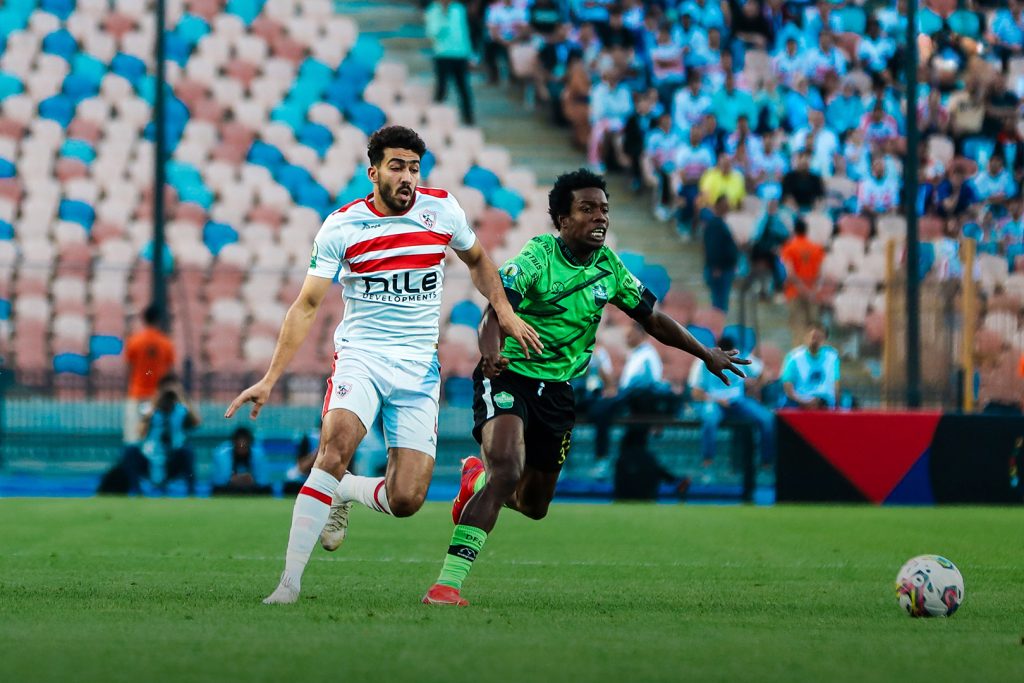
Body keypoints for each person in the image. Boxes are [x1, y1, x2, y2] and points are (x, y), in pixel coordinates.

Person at [225, 126, 542, 605]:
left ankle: (344, 491)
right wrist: (270, 378)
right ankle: (288, 584)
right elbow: (306, 305)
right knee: (336, 446)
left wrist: (505, 311)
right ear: (373, 172)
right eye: (397, 167)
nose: (408, 177)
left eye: (414, 168)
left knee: (407, 499)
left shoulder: (442, 210)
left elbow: (478, 260)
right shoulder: (342, 226)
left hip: (418, 368)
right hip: (362, 358)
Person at [421, 168, 748, 606]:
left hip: (558, 390)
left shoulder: (608, 267)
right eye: (588, 209)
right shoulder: (537, 258)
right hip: (509, 375)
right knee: (507, 472)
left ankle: (475, 480)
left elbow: (652, 318)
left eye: (604, 210)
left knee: (533, 505)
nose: (600, 217)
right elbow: (494, 313)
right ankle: (446, 585)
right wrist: (491, 352)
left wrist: (705, 353)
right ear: (562, 219)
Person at [689, 336, 774, 481]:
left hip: (738, 402)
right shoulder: (702, 361)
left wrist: (755, 387)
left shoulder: (741, 358)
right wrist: (717, 400)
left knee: (767, 418)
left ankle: (766, 464)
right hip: (714, 402)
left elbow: (765, 374)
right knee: (709, 419)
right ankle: (708, 465)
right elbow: (696, 393)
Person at [589, 322, 665, 479]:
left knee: (602, 411)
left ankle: (602, 459)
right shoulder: (636, 355)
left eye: (630, 335)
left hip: (636, 404)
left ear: (640, 334)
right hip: (628, 399)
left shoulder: (648, 356)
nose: (627, 338)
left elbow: (650, 385)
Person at [123, 375, 199, 495]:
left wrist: (181, 397)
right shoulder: (149, 408)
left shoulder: (181, 410)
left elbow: (196, 423)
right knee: (130, 451)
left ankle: (191, 492)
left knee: (187, 451)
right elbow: (140, 433)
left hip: (173, 457)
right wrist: (155, 404)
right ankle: (136, 491)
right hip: (150, 457)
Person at [122, 304, 175, 444]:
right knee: (155, 436)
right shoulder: (166, 343)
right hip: (158, 397)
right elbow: (170, 372)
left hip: (136, 394)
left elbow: (128, 368)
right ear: (158, 320)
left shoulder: (134, 341)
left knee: (133, 437)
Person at [425, 0, 475, 125]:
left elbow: (464, 32)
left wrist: (469, 54)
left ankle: (469, 118)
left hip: (460, 54)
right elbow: (433, 33)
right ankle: (434, 117)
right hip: (442, 54)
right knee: (442, 88)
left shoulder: (459, 9)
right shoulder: (433, 10)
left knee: (463, 88)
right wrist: (444, 16)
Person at [780, 218, 826, 341]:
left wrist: (803, 290)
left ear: (794, 231)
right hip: (813, 293)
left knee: (798, 329)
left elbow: (790, 274)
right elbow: (820, 273)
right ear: (806, 231)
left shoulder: (789, 248)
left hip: (794, 292)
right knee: (814, 329)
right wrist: (811, 291)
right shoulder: (817, 248)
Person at [781, 323, 840, 409]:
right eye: (812, 337)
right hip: (800, 404)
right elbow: (787, 387)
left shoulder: (832, 356)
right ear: (806, 337)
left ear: (824, 339)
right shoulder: (794, 357)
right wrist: (803, 402)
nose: (815, 341)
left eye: (819, 337)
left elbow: (836, 385)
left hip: (826, 405)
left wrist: (836, 407)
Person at [702, 195, 740, 312]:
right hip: (720, 270)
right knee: (719, 303)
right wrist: (716, 267)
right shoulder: (715, 225)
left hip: (724, 268)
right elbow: (712, 247)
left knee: (721, 302)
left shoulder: (721, 224)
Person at [211, 427, 272, 496]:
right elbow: (219, 481)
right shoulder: (222, 454)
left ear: (250, 444)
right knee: (218, 490)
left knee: (266, 489)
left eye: (244, 447)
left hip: (251, 488)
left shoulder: (258, 454)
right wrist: (232, 479)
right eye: (239, 446)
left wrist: (251, 480)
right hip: (229, 488)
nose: (241, 449)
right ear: (233, 443)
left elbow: (263, 481)